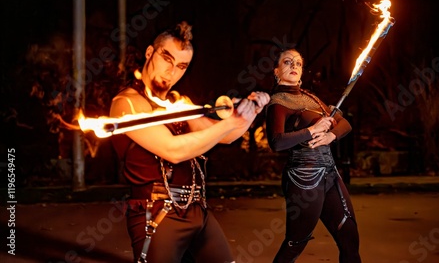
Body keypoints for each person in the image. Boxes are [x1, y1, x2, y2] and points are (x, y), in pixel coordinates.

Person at [110, 21, 270, 263]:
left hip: (197, 210)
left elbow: (224, 136)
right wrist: (231, 122)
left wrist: (251, 112)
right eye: (167, 59)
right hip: (157, 214)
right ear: (149, 53)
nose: (171, 71)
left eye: (181, 65)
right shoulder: (127, 104)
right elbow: (173, 150)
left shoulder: (179, 102)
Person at [265, 48, 361, 263]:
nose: (294, 66)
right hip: (303, 177)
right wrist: (312, 131)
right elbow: (277, 142)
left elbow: (345, 124)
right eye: (288, 62)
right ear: (276, 71)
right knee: (295, 243)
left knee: (350, 239)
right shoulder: (278, 103)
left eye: (298, 63)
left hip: (330, 174)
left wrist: (330, 137)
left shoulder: (312, 98)